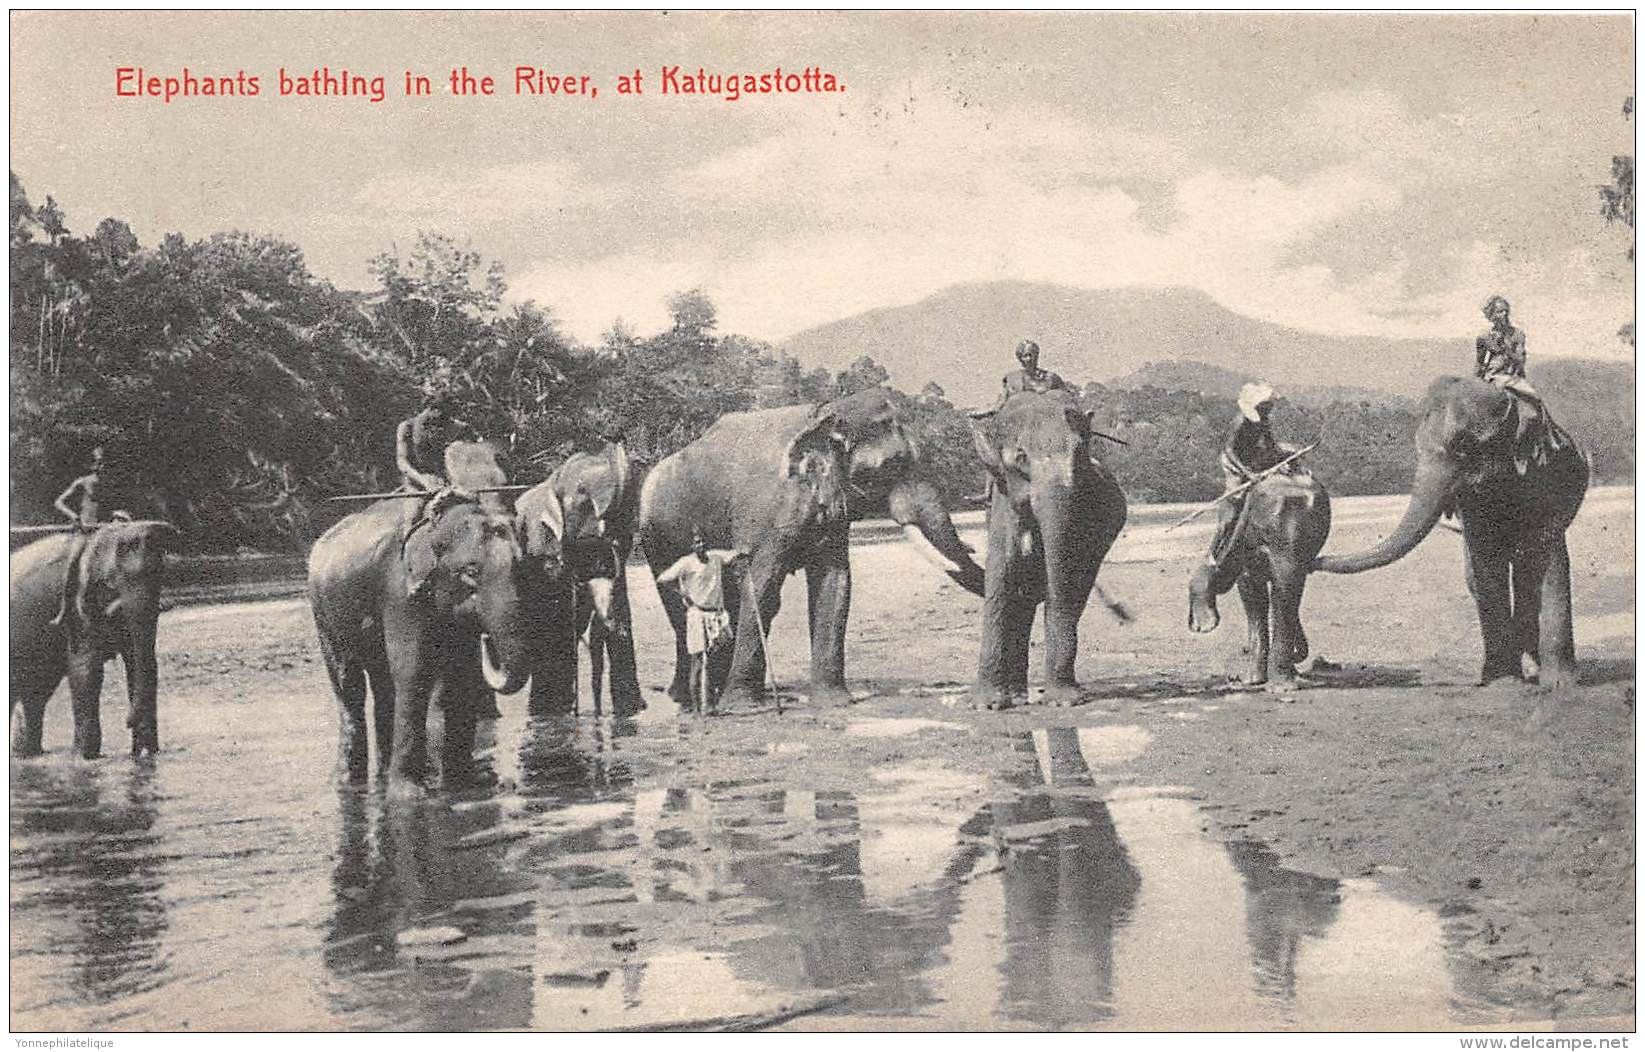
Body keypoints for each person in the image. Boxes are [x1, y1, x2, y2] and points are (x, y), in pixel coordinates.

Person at [1205, 382, 1298, 571]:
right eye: (1266, 405)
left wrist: (1286, 456)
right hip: (1235, 462)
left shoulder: (1264, 420)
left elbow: (1272, 446)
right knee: (1234, 504)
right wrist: (1247, 473)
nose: (1270, 408)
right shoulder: (1240, 421)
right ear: (1257, 405)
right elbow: (1230, 450)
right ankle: (1214, 551)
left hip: (1253, 457)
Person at [1473, 294, 1565, 471]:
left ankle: (1549, 440)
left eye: (1506, 310)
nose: (1504, 314)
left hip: (1513, 378)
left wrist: (1505, 349)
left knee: (1534, 403)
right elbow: (1479, 363)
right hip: (1493, 377)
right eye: (1499, 311)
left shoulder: (1518, 334)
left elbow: (1521, 360)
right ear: (1491, 315)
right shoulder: (1484, 337)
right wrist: (1474, 384)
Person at [655, 530, 744, 712]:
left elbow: (734, 556)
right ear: (692, 546)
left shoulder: (715, 557)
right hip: (697, 615)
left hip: (716, 616)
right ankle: (697, 707)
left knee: (712, 661)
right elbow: (662, 579)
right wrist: (682, 593)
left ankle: (710, 705)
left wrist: (744, 553)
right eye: (697, 543)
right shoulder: (686, 563)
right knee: (697, 661)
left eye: (703, 542)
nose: (701, 546)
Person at [395, 376, 479, 532]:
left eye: (446, 416)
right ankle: (403, 552)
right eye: (439, 414)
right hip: (419, 484)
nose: (443, 420)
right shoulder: (407, 427)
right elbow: (402, 462)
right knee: (412, 518)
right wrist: (425, 482)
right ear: (430, 408)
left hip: (453, 481)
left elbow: (471, 457)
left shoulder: (459, 428)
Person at [49, 447, 108, 628]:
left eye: (104, 462)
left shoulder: (112, 484)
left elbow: (116, 506)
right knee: (73, 563)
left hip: (106, 530)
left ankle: (149, 599)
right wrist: (74, 517)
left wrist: (119, 516)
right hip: (85, 532)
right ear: (92, 465)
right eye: (98, 462)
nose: (101, 466)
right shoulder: (82, 483)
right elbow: (59, 502)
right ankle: (65, 611)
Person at [969, 339, 1068, 419]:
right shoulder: (1012, 379)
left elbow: (1068, 402)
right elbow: (999, 405)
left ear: (1037, 355)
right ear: (1021, 358)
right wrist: (979, 413)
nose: (1029, 359)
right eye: (1026, 355)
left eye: (1032, 354)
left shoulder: (1052, 378)